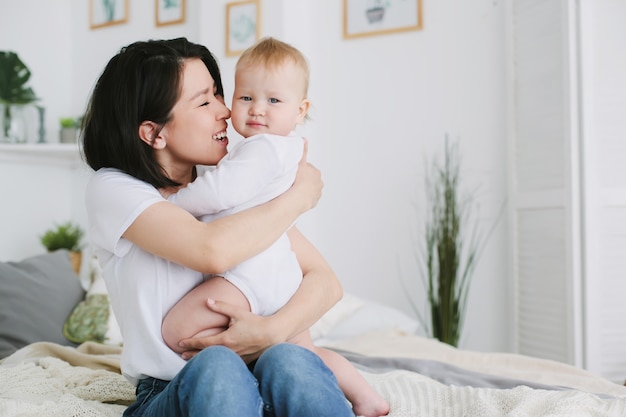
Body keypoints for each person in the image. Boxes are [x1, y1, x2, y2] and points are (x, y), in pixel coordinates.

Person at [81, 37, 356, 417]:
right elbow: (212, 251)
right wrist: (300, 197)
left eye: (219, 94)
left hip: (259, 380)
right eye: (205, 100)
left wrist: (271, 332)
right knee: (217, 365)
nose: (226, 111)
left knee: (291, 361)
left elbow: (325, 282)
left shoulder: (228, 190)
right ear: (153, 132)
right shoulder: (115, 190)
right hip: (170, 389)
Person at [161, 37, 390, 417]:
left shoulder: (263, 149)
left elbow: (219, 193)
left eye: (274, 100)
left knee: (176, 330)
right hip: (278, 275)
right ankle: (367, 397)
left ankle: (242, 377)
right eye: (246, 97)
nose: (257, 111)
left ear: (301, 109)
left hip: (249, 274)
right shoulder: (285, 148)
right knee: (305, 351)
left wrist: (173, 204)